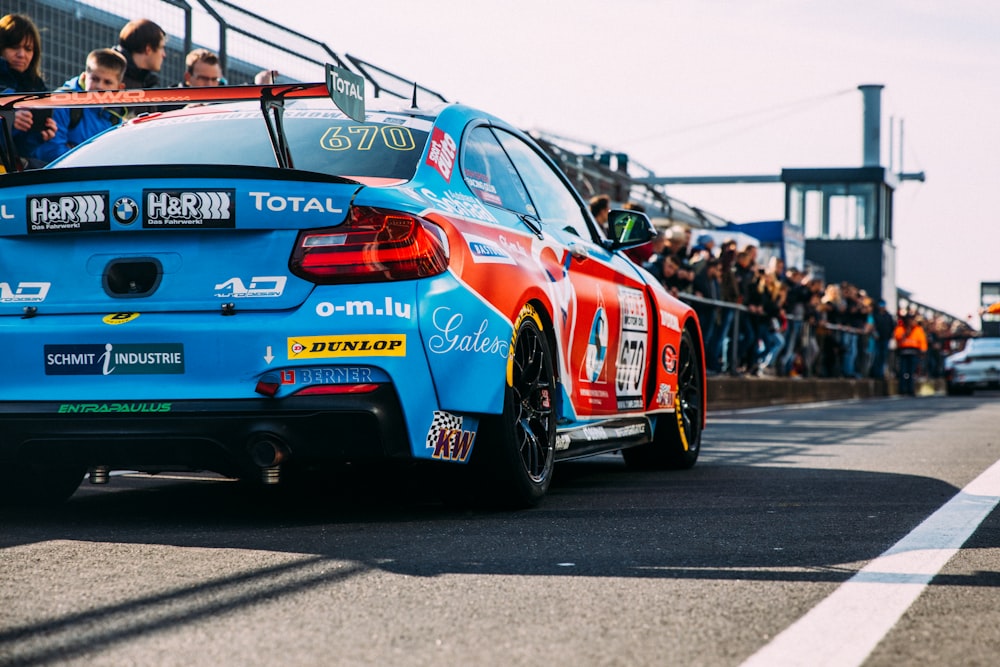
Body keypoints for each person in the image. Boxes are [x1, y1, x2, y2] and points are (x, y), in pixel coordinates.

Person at [30, 49, 127, 165]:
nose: (100, 86)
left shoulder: (116, 118)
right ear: (85, 77)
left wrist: (75, 151)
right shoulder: (62, 102)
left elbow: (113, 158)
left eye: (107, 82)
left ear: (119, 88)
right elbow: (51, 151)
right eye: (95, 79)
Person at [0, 14, 57, 167]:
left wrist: (38, 135)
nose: (21, 54)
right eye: (14, 47)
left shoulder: (37, 89)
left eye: (28, 49)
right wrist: (8, 121)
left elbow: (19, 150)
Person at [112, 18, 166, 118]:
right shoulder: (108, 77)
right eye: (161, 47)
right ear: (148, 49)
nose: (164, 55)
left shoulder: (148, 83)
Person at [893, 313, 927, 396]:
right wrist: (906, 333)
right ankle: (902, 389)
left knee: (911, 372)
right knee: (903, 372)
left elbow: (922, 341)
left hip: (914, 352)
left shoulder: (918, 329)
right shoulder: (900, 328)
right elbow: (897, 337)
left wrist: (923, 351)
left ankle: (910, 389)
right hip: (903, 352)